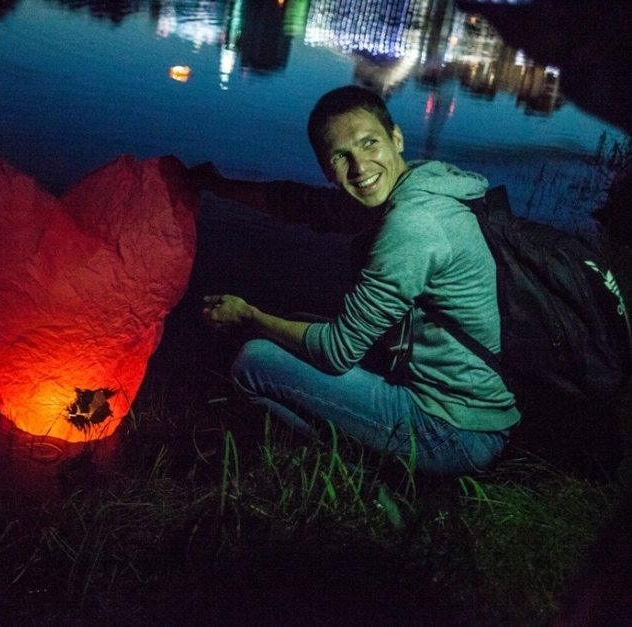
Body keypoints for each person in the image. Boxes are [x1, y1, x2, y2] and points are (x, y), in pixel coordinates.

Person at [192, 85, 519, 476]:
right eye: (341, 156)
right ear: (325, 168)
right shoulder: (419, 185)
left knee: (253, 360)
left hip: (452, 430)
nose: (360, 168)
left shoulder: (413, 224)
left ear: (395, 138)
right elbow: (307, 207)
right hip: (468, 408)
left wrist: (248, 316)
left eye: (369, 144)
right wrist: (219, 185)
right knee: (297, 321)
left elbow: (336, 352)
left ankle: (365, 481)